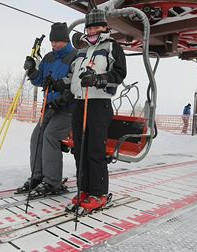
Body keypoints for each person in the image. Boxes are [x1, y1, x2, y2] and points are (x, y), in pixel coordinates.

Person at [68, 8, 127, 212]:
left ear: (104, 27)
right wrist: (59, 84)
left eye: (96, 26)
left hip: (98, 104)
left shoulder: (112, 47)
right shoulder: (81, 51)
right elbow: (71, 76)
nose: (92, 30)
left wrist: (99, 79)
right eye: (89, 27)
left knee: (94, 149)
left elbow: (119, 73)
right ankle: (84, 189)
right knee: (79, 149)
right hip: (79, 102)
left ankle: (99, 192)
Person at [18, 22, 77, 196]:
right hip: (50, 106)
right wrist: (31, 71)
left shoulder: (74, 56)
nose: (54, 45)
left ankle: (52, 182)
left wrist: (64, 95)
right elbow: (40, 81)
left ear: (66, 40)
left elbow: (75, 82)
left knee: (50, 135)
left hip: (67, 108)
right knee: (37, 137)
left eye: (58, 41)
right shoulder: (49, 57)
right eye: (53, 41)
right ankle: (38, 176)